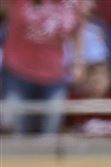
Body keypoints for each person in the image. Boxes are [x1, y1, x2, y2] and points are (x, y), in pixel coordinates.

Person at [2, 0, 85, 136]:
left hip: (55, 77)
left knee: (49, 135)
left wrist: (78, 62)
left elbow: (78, 29)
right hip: (18, 74)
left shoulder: (74, 2)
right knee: (17, 133)